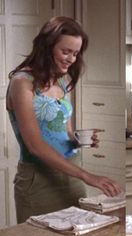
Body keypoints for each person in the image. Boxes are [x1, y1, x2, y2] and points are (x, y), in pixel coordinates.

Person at [6, 16, 122, 223]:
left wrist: (78, 139)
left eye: (75, 53)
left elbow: (65, 132)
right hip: (38, 182)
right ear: (47, 47)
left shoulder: (61, 80)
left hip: (71, 177)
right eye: (65, 51)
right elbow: (35, 145)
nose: (71, 58)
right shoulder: (21, 83)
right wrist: (88, 176)